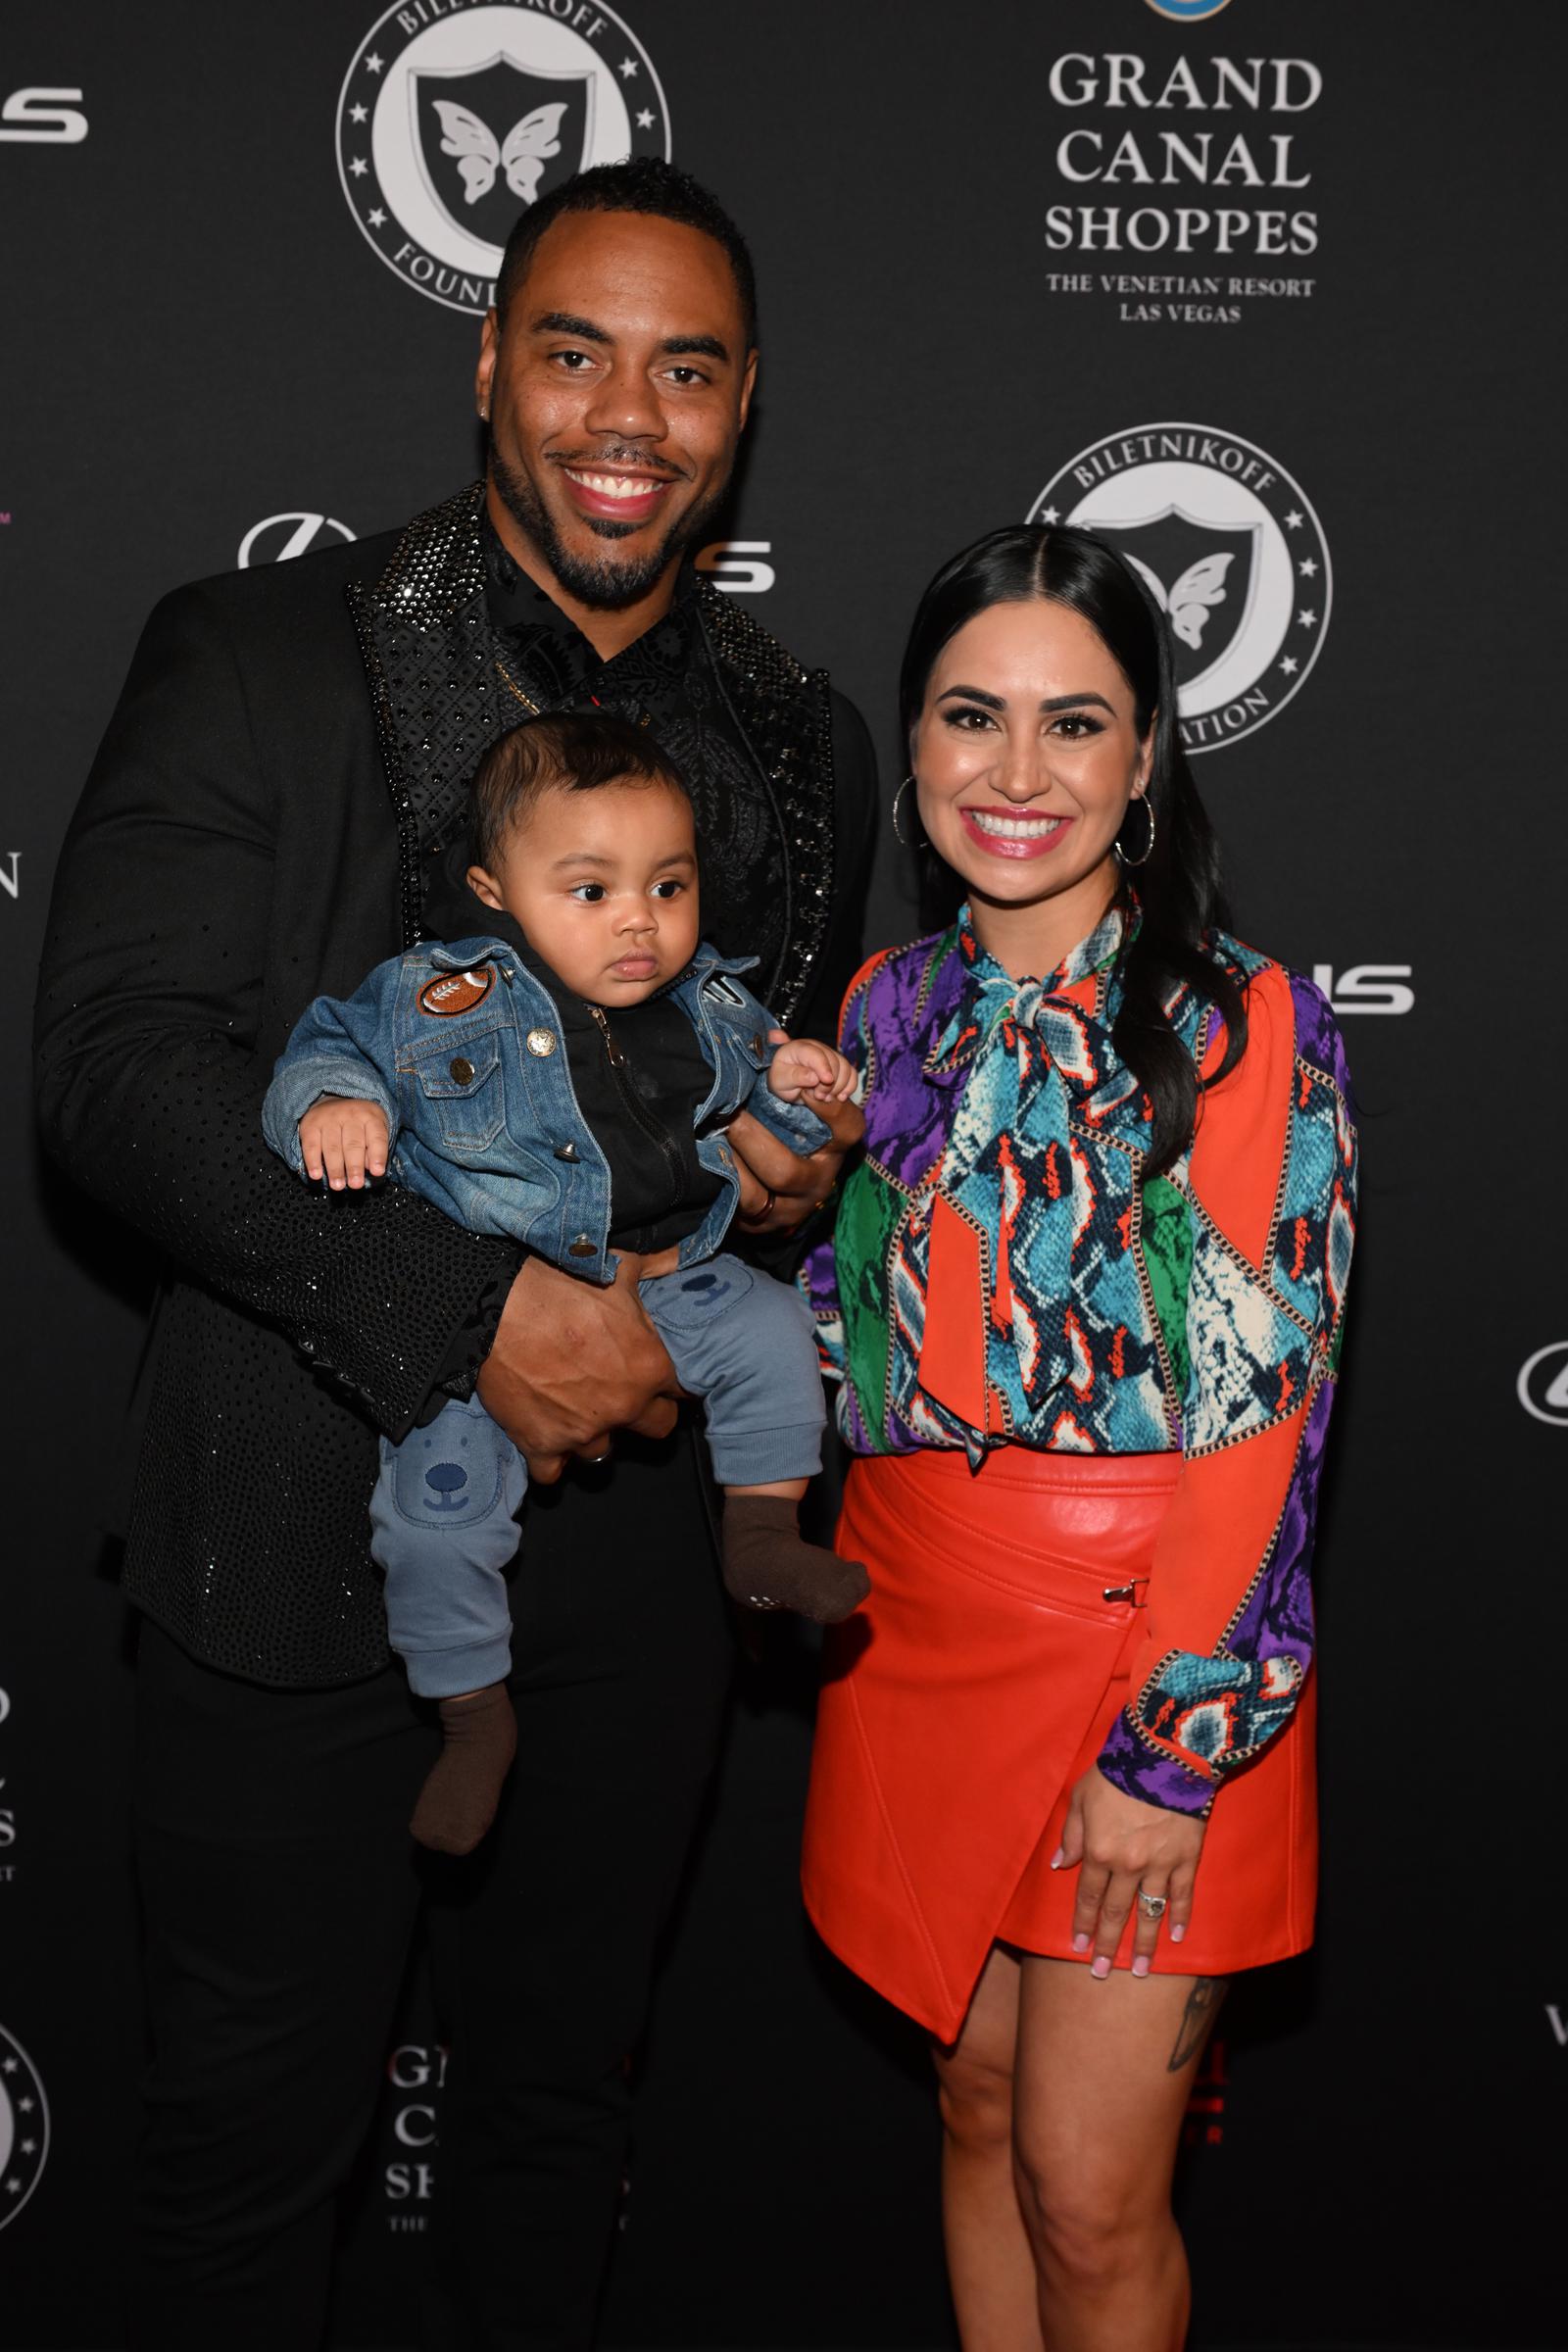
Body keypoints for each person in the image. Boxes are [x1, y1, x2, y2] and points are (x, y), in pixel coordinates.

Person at [33, 159, 874, 2350]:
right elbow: (117, 1069)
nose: (627, 414)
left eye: (684, 370)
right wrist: (463, 1308)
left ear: (742, 406)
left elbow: (738, 1105)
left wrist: (785, 1171)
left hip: (636, 1569)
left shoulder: (803, 743)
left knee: (553, 2139)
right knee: (242, 2175)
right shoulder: (255, 654)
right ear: (486, 362)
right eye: (575, 349)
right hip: (292, 1539)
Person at [801, 524, 1356, 2350]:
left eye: (1073, 724)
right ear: (916, 741)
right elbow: (861, 1336)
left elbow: (1266, 1419)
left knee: (1092, 2193)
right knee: (970, 2111)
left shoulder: (1239, 1022)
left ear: (1144, 758)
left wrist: (1175, 1743)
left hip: (1145, 1652)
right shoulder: (886, 1015)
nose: (1015, 774)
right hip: (916, 1636)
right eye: (971, 718)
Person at [262, 711, 867, 1855]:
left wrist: (804, 1084)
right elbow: (325, 1045)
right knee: (431, 1523)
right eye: (590, 891)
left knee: (780, 1334)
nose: (640, 920)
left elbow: (786, 1112)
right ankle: (470, 1716)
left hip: (678, 1273)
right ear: (495, 888)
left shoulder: (710, 1002)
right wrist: (333, 1103)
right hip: (493, 1314)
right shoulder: (434, 994)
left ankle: (761, 1535)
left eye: (669, 886)